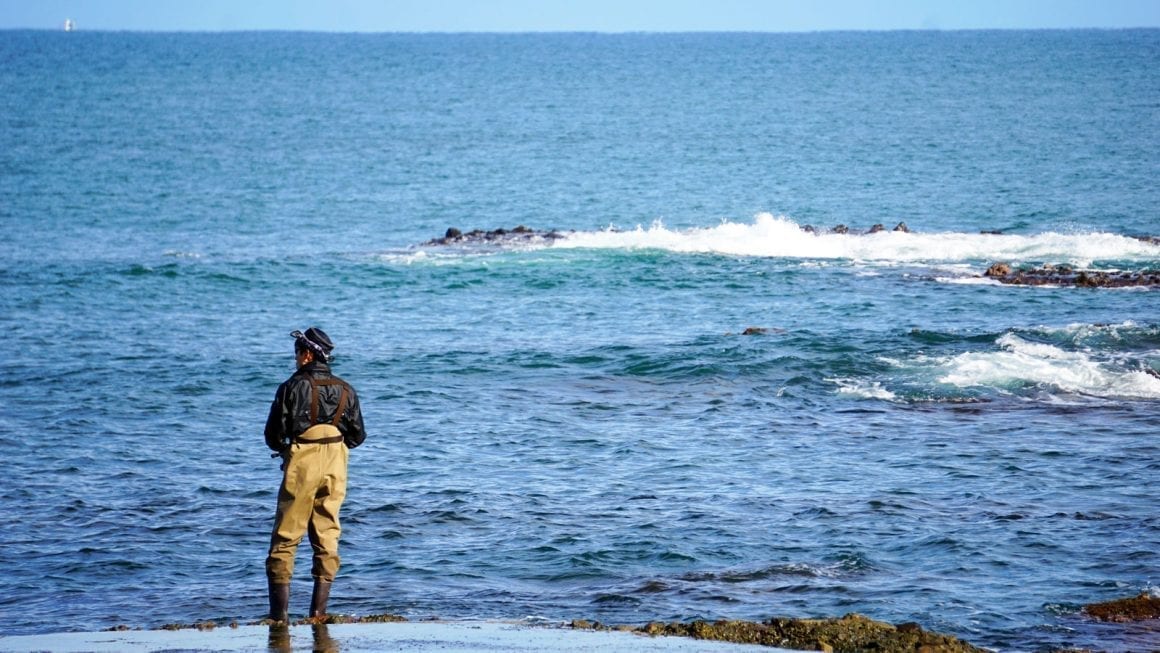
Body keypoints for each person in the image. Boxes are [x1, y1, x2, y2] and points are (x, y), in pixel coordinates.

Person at [264, 327, 367, 622]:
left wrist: (287, 449)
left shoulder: (290, 387)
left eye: (296, 354)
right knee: (327, 535)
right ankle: (319, 613)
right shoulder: (346, 389)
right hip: (336, 463)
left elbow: (272, 435)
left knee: (285, 537)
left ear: (307, 354)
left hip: (302, 462)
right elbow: (358, 436)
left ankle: (279, 616)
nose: (295, 360)